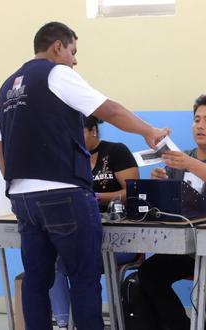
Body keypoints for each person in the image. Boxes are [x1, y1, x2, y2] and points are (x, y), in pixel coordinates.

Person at [0, 21, 169, 330]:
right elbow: (109, 110)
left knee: (36, 280)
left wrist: (15, 185)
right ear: (57, 47)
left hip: (22, 198)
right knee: (84, 277)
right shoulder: (56, 73)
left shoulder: (6, 87)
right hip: (63, 194)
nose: (75, 60)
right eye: (73, 51)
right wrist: (148, 131)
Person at [137, 94, 206, 330]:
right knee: (148, 274)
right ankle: (182, 325)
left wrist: (189, 164)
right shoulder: (183, 158)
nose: (200, 125)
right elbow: (170, 205)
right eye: (197, 119)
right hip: (187, 247)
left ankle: (201, 325)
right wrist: (160, 182)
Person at [48, 115, 140, 329]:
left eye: (77, 132)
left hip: (119, 238)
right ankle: (64, 322)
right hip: (80, 231)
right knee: (54, 262)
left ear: (93, 131)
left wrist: (98, 198)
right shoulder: (68, 156)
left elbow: (133, 191)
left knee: (75, 261)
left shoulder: (116, 152)